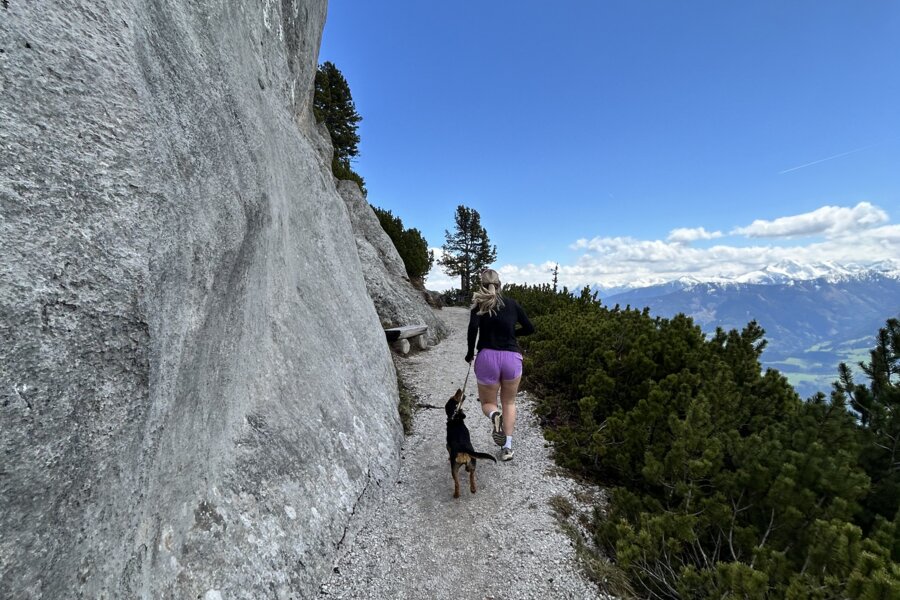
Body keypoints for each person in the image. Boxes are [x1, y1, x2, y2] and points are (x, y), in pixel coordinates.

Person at [464, 269, 535, 461]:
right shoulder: (512, 304)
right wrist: (512, 336)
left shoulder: (479, 304)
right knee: (509, 402)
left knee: (488, 403)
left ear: (481, 285)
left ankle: (495, 415)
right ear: (499, 284)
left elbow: (472, 328)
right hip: (512, 358)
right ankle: (507, 448)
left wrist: (470, 353)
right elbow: (530, 328)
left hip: (487, 357)